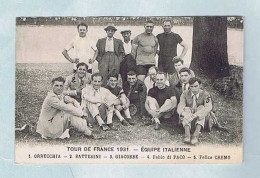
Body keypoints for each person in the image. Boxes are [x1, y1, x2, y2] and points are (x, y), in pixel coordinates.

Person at [177, 77, 213, 145]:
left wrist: (196, 114)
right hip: (188, 117)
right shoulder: (185, 93)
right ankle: (187, 134)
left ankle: (195, 135)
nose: (194, 89)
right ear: (189, 86)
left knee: (201, 107)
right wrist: (184, 113)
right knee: (186, 109)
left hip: (200, 119)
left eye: (196, 86)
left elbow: (208, 107)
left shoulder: (206, 94)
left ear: (200, 85)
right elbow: (181, 105)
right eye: (191, 86)